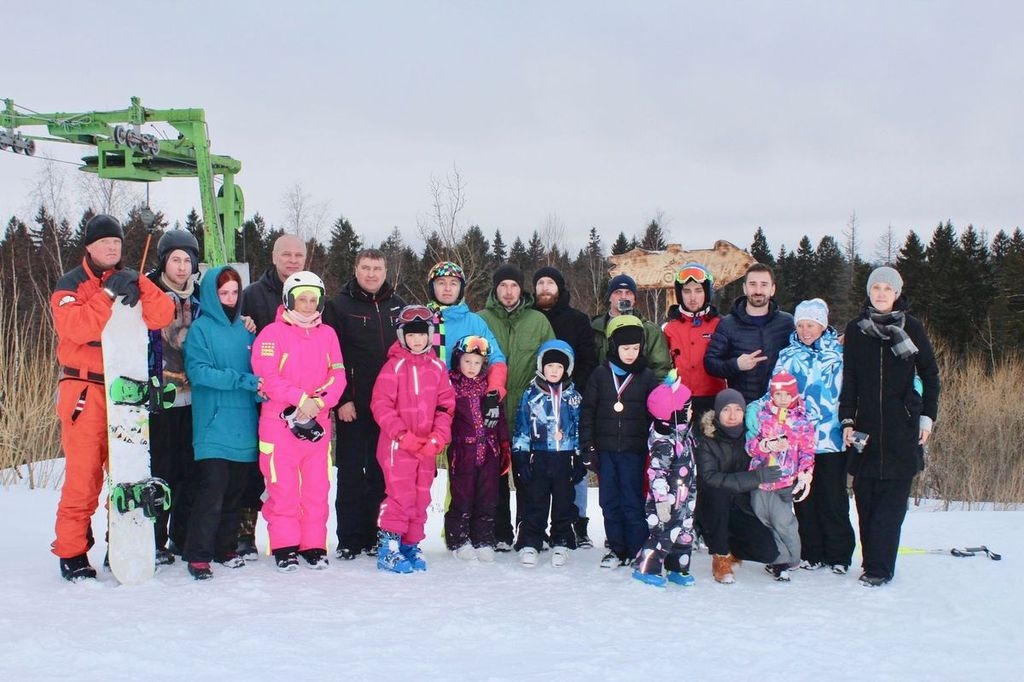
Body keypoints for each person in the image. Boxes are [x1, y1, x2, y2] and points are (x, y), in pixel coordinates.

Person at [50, 214, 174, 581]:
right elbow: (76, 327)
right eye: (105, 242)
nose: (111, 248)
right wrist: (106, 295)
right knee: (83, 477)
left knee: (126, 473)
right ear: (89, 246)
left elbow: (162, 314)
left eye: (117, 242)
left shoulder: (130, 276)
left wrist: (140, 286)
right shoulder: (70, 284)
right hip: (84, 391)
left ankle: (119, 542)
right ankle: (72, 552)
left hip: (125, 394)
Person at [839, 266, 939, 587]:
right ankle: (871, 562)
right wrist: (847, 419)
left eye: (887, 288)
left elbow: (931, 375)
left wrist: (927, 416)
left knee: (891, 506)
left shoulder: (912, 328)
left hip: (902, 427)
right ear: (868, 292)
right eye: (876, 288)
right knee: (866, 500)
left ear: (897, 293)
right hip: (865, 428)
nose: (881, 293)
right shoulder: (856, 329)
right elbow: (850, 379)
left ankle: (881, 568)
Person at [250, 271, 346, 572]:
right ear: (289, 300)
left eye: (312, 300)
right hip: (279, 426)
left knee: (317, 488)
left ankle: (313, 545)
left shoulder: (327, 334)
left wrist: (319, 401)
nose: (307, 305)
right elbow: (267, 377)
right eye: (301, 299)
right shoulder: (272, 334)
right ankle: (284, 546)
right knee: (283, 488)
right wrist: (298, 398)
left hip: (315, 426)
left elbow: (338, 374)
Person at [322, 249, 405, 560]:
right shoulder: (339, 306)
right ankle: (349, 538)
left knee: (382, 472)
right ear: (355, 269)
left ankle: (374, 534)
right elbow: (332, 357)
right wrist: (341, 400)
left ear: (386, 271)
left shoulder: (398, 307)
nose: (372, 274)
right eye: (366, 268)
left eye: (378, 268)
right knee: (352, 472)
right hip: (353, 406)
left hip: (390, 408)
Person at [181, 266, 263, 580]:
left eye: (233, 293)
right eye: (222, 293)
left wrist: (261, 392)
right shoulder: (201, 330)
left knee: (236, 493)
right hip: (213, 424)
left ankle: (225, 547)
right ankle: (199, 553)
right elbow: (199, 372)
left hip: (244, 423)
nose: (229, 299)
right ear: (212, 296)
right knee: (211, 491)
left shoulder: (247, 329)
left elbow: (259, 369)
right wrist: (242, 381)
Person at [236, 233, 308, 559]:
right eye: (287, 255)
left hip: (299, 402)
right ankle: (244, 533)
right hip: (259, 398)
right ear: (274, 257)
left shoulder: (310, 294)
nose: (292, 261)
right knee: (254, 466)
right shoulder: (252, 296)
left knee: (293, 475)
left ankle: (293, 535)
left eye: (298, 255)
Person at [771, 298, 854, 574]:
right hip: (798, 443)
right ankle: (812, 551)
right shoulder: (787, 356)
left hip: (831, 441)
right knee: (804, 500)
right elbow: (775, 395)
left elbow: (850, 393)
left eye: (812, 325)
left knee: (833, 498)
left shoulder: (839, 355)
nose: (806, 330)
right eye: (802, 325)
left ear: (823, 325)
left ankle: (839, 553)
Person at [370, 305, 455, 573]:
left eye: (421, 334)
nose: (416, 340)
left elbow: (446, 406)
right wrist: (401, 434)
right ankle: (389, 547)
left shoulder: (438, 368)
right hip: (398, 447)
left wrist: (438, 436)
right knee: (400, 495)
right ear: (402, 336)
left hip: (426, 447)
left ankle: (410, 544)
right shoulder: (393, 367)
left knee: (421, 497)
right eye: (411, 334)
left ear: (430, 336)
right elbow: (381, 405)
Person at [478, 264, 554, 551]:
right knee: (494, 477)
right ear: (495, 290)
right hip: (491, 411)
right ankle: (499, 532)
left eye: (513, 286)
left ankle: (530, 531)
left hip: (529, 413)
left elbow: (551, 361)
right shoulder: (481, 320)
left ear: (520, 289)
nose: (508, 292)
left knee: (529, 478)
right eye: (502, 286)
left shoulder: (537, 321)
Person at [580, 315, 659, 569]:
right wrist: (587, 446)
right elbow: (588, 412)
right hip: (606, 451)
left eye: (635, 349)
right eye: (625, 348)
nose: (630, 354)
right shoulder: (600, 375)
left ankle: (636, 549)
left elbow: (657, 415)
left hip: (634, 452)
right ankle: (615, 548)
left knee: (633, 500)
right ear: (615, 347)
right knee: (609, 501)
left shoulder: (647, 377)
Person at [532, 266, 599, 548]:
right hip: (537, 401)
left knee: (574, 464)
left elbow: (588, 359)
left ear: (559, 288)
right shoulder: (530, 318)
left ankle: (577, 523)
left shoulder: (577, 320)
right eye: (540, 283)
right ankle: (536, 524)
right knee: (541, 467)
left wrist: (574, 391)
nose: (545, 288)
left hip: (571, 402)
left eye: (551, 283)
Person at [146, 229, 202, 564]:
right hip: (159, 399)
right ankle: (153, 539)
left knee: (189, 472)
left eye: (187, 260)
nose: (181, 267)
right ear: (164, 261)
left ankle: (181, 537)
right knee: (160, 471)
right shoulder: (147, 293)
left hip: (193, 399)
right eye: (175, 259)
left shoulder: (200, 299)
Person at [693, 388, 780, 584]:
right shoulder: (707, 440)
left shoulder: (752, 438)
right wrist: (756, 477)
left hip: (742, 504)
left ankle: (732, 548)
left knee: (768, 552)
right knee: (719, 494)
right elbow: (710, 478)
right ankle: (720, 555)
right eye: (726, 410)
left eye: (738, 409)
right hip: (713, 507)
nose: (732, 415)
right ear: (717, 412)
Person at [511, 340, 583, 568]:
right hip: (539, 456)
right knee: (536, 501)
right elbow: (521, 427)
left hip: (565, 457)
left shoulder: (573, 397)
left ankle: (561, 539)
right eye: (550, 366)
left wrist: (580, 456)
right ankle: (530, 541)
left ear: (567, 369)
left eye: (559, 367)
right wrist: (521, 455)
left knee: (564, 501)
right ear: (541, 367)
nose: (554, 371)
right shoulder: (531, 395)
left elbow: (580, 427)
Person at [745, 372, 816, 582]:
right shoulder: (762, 416)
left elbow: (807, 451)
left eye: (787, 394)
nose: (783, 398)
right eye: (778, 394)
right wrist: (764, 446)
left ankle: (792, 558)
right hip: (760, 477)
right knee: (761, 518)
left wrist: (805, 473)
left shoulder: (801, 421)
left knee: (783, 521)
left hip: (784, 480)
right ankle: (777, 558)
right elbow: (750, 445)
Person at [631, 373, 699, 588]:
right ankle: (646, 568)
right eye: (687, 407)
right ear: (675, 413)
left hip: (685, 499)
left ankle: (678, 567)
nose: (691, 411)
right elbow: (657, 473)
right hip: (666, 503)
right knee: (663, 535)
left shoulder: (683, 434)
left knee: (684, 534)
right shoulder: (664, 443)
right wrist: (661, 501)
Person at [446, 335, 509, 562]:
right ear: (458, 361)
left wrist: (504, 444)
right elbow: (444, 417)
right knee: (462, 495)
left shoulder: (489, 389)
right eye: (467, 361)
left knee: (487, 497)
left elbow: (500, 420)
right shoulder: (450, 385)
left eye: (477, 363)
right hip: (464, 451)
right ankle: (459, 539)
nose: (472, 367)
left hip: (490, 451)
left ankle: (483, 539)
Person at [704, 263, 795, 403]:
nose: (758, 290)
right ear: (745, 288)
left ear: (772, 289)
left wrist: (838, 339)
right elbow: (710, 363)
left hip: (777, 408)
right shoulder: (728, 324)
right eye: (753, 284)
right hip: (742, 407)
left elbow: (810, 338)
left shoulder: (787, 323)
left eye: (764, 284)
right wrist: (736, 365)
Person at [662, 262, 726, 417]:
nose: (692, 297)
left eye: (698, 291)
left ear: (707, 293)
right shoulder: (669, 328)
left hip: (714, 401)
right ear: (680, 293)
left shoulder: (721, 324)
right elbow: (661, 367)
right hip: (680, 401)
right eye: (687, 291)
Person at [591, 274, 672, 380]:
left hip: (640, 391)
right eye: (618, 292)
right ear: (610, 297)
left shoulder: (650, 330)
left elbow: (660, 369)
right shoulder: (595, 328)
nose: (623, 296)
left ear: (634, 299)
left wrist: (658, 393)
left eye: (628, 293)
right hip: (605, 389)